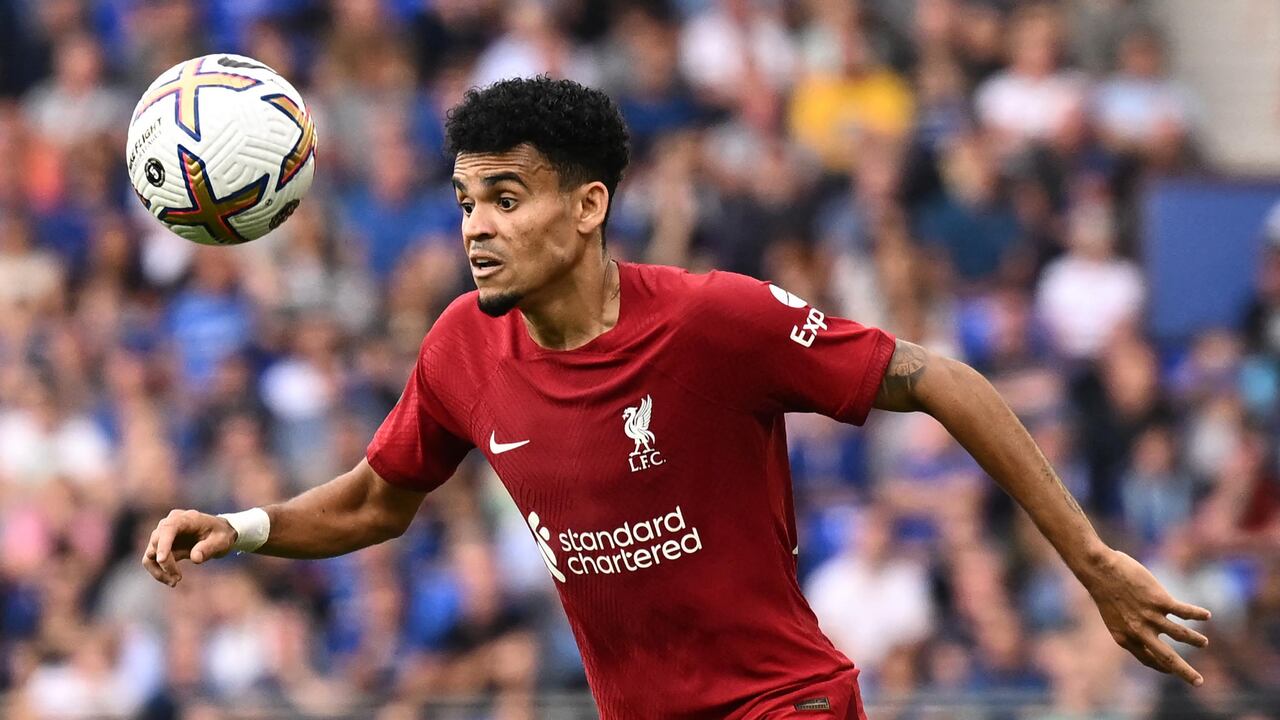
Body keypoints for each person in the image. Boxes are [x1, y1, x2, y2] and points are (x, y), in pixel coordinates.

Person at [142, 76, 1211, 719]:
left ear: (588, 206)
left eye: (506, 198)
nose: (476, 227)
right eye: (466, 201)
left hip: (785, 702)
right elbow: (379, 500)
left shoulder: (712, 320)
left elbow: (939, 377)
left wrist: (1091, 562)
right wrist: (243, 527)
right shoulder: (463, 345)